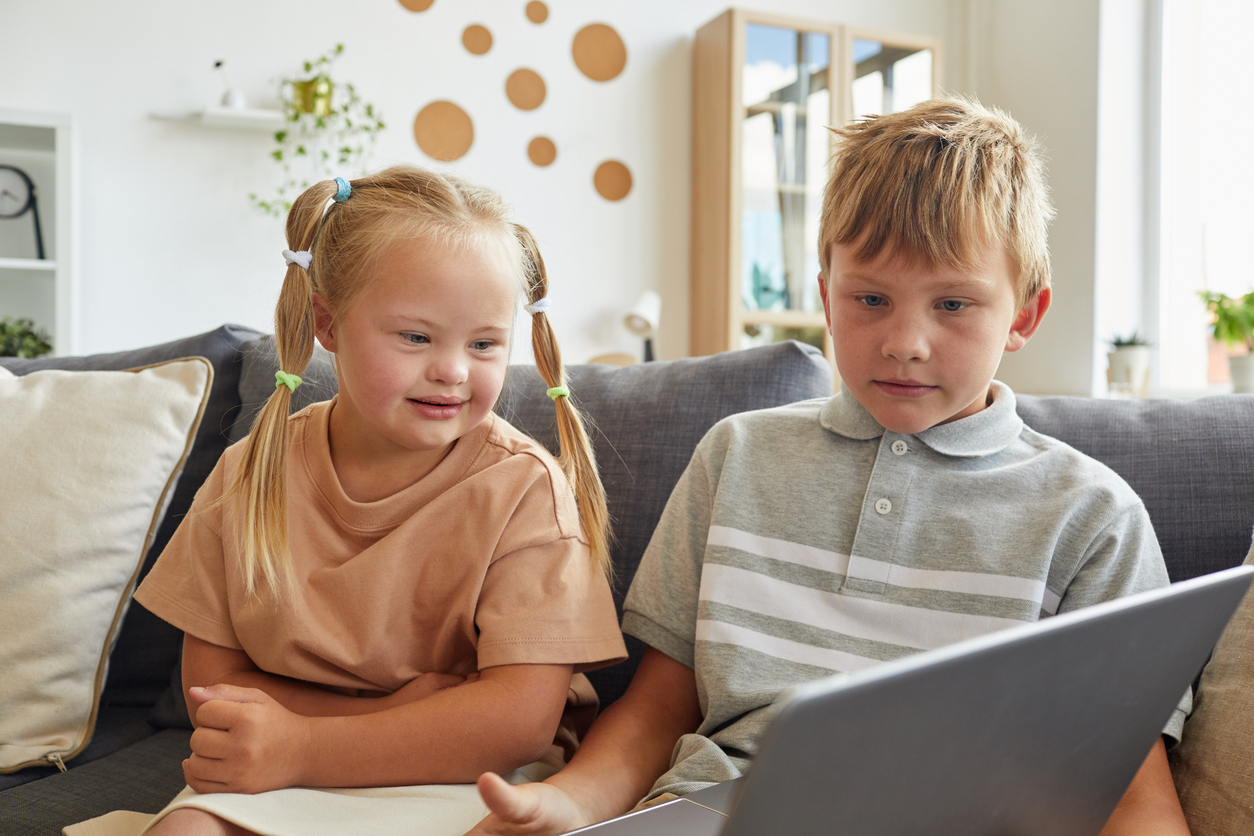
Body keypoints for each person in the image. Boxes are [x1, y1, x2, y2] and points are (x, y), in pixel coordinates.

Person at [465, 97, 1192, 836]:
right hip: (718, 812)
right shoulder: (735, 455)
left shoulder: (1093, 516)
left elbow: (1135, 795)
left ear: (1024, 317)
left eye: (953, 304)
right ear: (825, 297)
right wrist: (567, 805)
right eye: (870, 298)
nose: (905, 340)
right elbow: (655, 712)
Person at [71, 167, 627, 836]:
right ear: (327, 323)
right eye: (416, 337)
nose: (453, 369)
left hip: (467, 775)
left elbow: (518, 721)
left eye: (483, 344)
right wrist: (324, 737)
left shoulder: (523, 488)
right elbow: (212, 688)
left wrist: (302, 740)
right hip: (278, 766)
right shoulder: (253, 469)